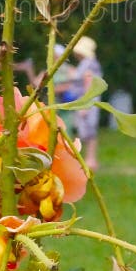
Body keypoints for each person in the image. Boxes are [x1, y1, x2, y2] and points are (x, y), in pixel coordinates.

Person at [70, 36, 102, 171]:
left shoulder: (89, 64)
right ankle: (88, 159)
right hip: (86, 100)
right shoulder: (87, 63)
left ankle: (91, 159)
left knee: (89, 130)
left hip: (88, 100)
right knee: (85, 130)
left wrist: (85, 104)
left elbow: (88, 82)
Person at [51, 43, 77, 136]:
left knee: (66, 130)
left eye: (54, 54)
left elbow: (74, 85)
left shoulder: (68, 69)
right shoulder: (51, 69)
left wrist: (56, 89)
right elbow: (36, 83)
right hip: (53, 105)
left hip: (66, 105)